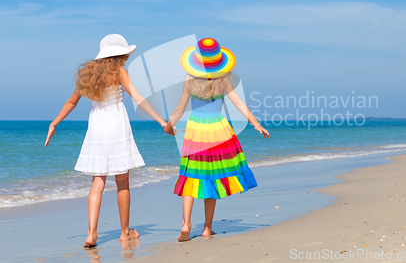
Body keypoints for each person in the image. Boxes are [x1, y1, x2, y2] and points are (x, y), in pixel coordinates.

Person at [44, 34, 170, 248]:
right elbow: (138, 99)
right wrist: (161, 121)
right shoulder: (119, 72)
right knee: (122, 181)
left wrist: (53, 123)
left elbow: (71, 102)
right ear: (119, 55)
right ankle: (124, 232)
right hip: (117, 125)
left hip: (97, 127)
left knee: (98, 181)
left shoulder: (88, 74)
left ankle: (91, 233)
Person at [164, 37, 269, 242]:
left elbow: (179, 108)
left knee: (191, 176)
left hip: (195, 131)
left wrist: (169, 126)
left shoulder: (190, 81)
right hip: (218, 131)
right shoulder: (223, 80)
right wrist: (256, 124)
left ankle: (185, 224)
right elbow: (239, 104)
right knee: (212, 177)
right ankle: (207, 228)